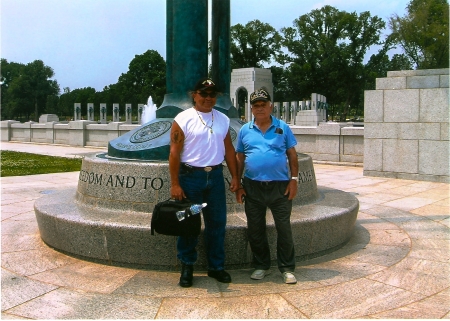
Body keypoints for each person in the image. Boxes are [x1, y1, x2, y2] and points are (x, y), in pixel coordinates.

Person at [169, 77, 240, 288]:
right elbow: (174, 153)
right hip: (191, 178)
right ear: (194, 95)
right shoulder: (183, 119)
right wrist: (175, 184)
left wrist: (236, 177)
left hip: (215, 177)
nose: (208, 98)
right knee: (189, 225)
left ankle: (216, 266)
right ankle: (187, 265)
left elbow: (229, 150)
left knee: (217, 224)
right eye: (204, 94)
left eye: (212, 94)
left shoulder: (223, 119)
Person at [235, 88, 299, 284]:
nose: (260, 108)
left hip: (280, 187)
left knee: (284, 228)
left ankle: (287, 268)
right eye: (256, 105)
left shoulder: (282, 127)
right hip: (253, 186)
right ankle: (261, 265)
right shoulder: (245, 130)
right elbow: (240, 157)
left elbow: (292, 154)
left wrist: (294, 180)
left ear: (270, 106)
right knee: (255, 229)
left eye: (264, 104)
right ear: (251, 108)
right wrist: (238, 184)